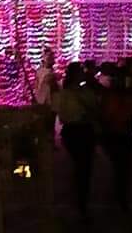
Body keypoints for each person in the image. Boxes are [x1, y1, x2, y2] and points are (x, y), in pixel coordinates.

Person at [52, 62, 99, 219]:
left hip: (83, 130)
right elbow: (63, 114)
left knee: (83, 167)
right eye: (80, 72)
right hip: (76, 131)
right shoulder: (67, 92)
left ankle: (80, 198)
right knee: (82, 166)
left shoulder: (83, 90)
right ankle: (80, 200)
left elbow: (94, 105)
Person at [99, 67, 132, 212]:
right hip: (118, 134)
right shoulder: (114, 97)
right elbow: (111, 115)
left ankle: (118, 194)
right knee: (123, 167)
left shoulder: (112, 96)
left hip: (119, 134)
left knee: (122, 167)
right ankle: (119, 196)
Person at [33, 47, 59, 138]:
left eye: (52, 58)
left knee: (50, 122)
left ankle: (50, 140)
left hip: (50, 101)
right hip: (42, 100)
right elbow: (37, 85)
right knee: (43, 122)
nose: (52, 60)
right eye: (49, 58)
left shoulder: (53, 73)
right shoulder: (40, 72)